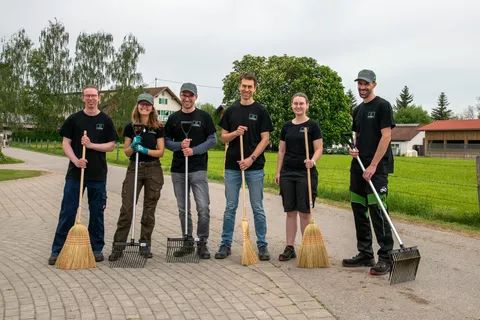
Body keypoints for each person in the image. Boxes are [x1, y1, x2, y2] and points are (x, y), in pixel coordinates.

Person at [49, 84, 117, 265]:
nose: (91, 99)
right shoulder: (74, 119)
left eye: (93, 96)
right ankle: (58, 250)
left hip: (98, 175)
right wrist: (75, 160)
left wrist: (91, 145)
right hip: (75, 174)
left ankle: (96, 248)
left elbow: (111, 145)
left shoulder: (106, 120)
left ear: (99, 98)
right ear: (83, 98)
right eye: (87, 96)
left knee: (97, 213)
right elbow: (66, 143)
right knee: (68, 212)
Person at [342, 69, 396, 275]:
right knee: (359, 209)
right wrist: (353, 149)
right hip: (358, 167)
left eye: (366, 84)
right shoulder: (357, 110)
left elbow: (386, 137)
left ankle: (386, 257)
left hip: (377, 168)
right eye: (359, 84)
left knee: (378, 211)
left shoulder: (383, 106)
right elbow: (358, 136)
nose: (362, 88)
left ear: (374, 84)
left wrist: (373, 165)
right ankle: (365, 253)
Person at [215, 72, 274, 261]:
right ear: (239, 87)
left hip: (255, 167)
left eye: (250, 86)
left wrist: (251, 158)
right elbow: (223, 137)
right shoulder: (231, 111)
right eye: (244, 86)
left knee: (257, 207)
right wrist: (235, 133)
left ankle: (262, 245)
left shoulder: (261, 111)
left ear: (254, 88)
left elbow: (266, 139)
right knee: (230, 207)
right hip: (232, 166)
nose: (246, 89)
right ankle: (225, 244)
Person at [108, 93, 165, 260]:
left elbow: (160, 151)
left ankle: (145, 244)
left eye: (148, 104)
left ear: (152, 107)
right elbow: (126, 152)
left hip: (153, 169)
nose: (145, 107)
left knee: (149, 209)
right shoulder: (130, 127)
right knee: (127, 208)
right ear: (137, 106)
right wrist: (133, 146)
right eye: (142, 104)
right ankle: (118, 246)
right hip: (135, 168)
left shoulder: (158, 127)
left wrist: (145, 150)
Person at [164, 83, 217, 259]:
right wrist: (180, 146)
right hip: (178, 170)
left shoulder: (204, 116)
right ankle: (187, 242)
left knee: (203, 207)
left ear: (196, 97)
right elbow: (165, 141)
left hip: (198, 168)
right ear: (180, 96)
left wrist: (194, 150)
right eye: (184, 95)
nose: (187, 99)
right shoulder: (174, 119)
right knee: (183, 209)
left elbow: (212, 140)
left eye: (190, 95)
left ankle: (202, 243)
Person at [275, 93, 323, 261]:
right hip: (288, 172)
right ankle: (289, 247)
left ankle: (306, 247)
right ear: (292, 105)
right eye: (295, 103)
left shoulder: (313, 125)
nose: (298, 106)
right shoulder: (286, 126)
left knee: (304, 212)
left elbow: (319, 148)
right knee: (290, 212)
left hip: (305, 173)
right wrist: (278, 171)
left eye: (301, 103)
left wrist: (313, 161)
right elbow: (281, 150)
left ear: (307, 105)